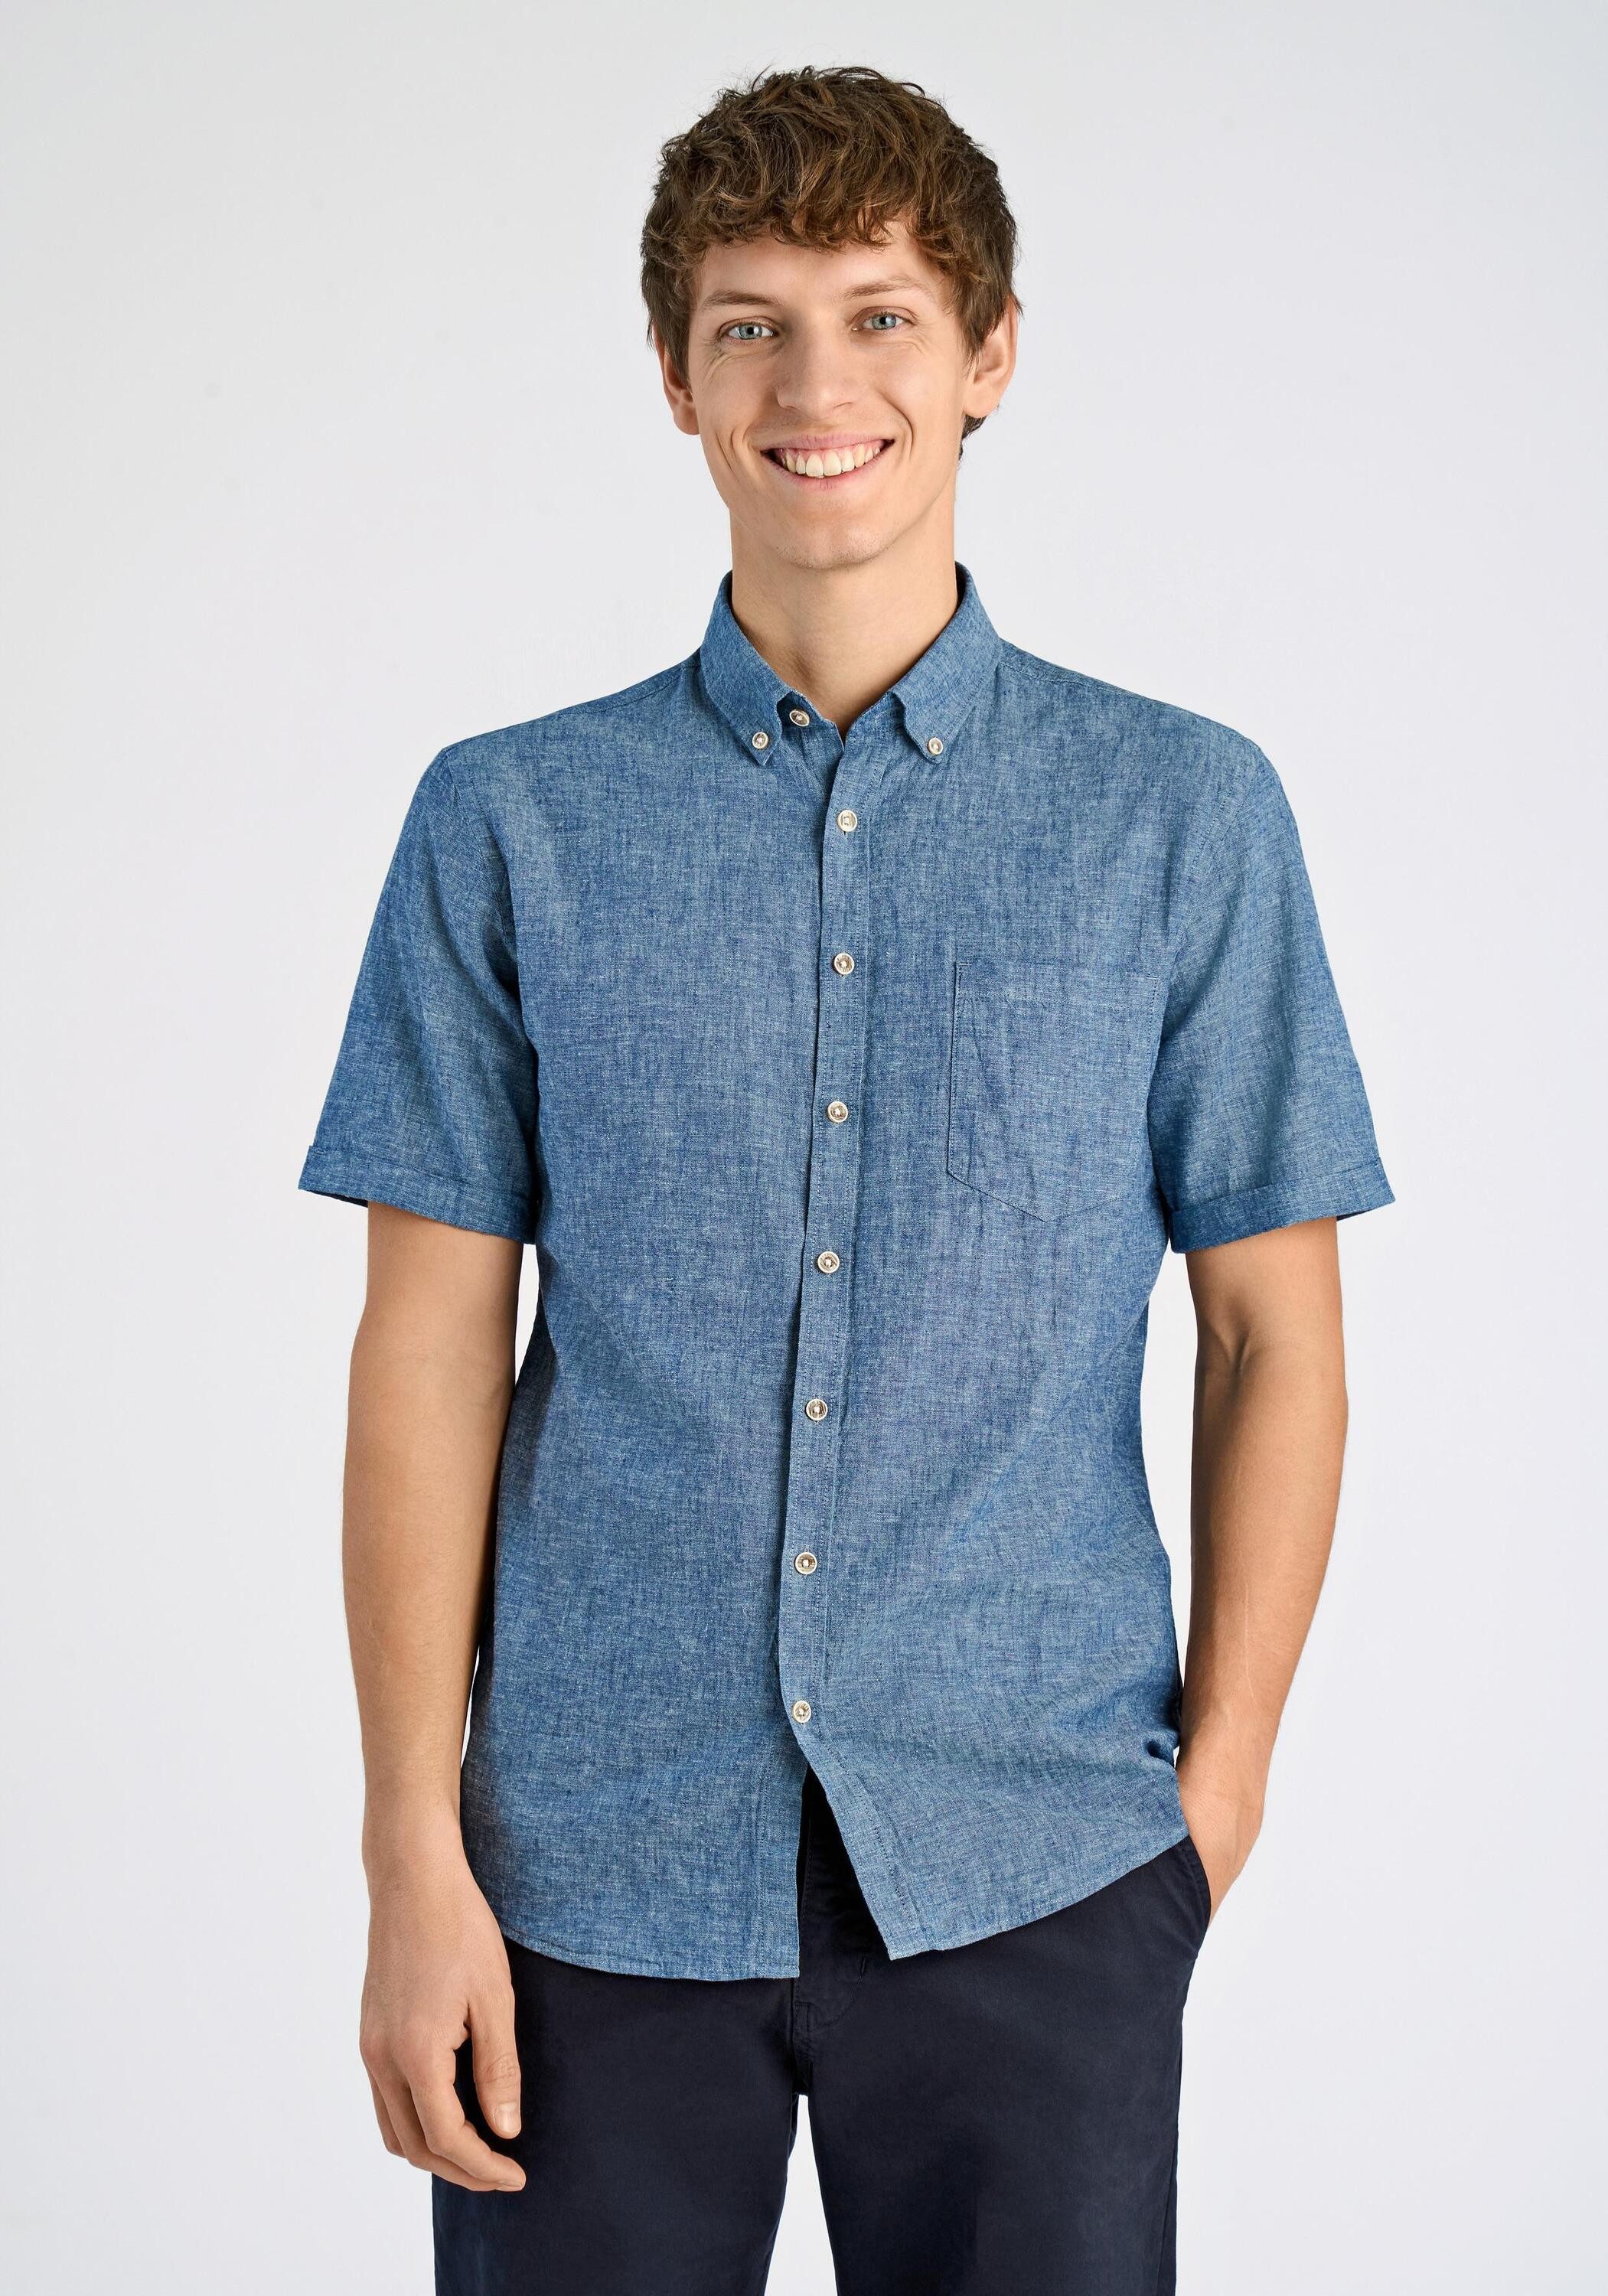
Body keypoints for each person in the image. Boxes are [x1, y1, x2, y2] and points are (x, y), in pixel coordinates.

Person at [299, 61, 1393, 2296]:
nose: (817, 387)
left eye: (882, 316)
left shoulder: (1182, 816)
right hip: (584, 1868)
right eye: (753, 326)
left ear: (989, 354)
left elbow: (1271, 1336)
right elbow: (426, 1350)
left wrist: (1216, 1801)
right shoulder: (508, 821)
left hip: (1039, 1850)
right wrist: (415, 1846)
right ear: (677, 375)